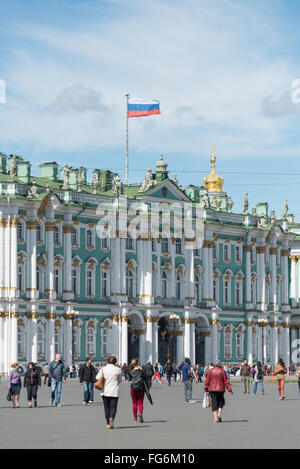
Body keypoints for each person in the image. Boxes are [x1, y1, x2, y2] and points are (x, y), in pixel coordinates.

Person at [97, 356, 122, 429]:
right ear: (115, 362)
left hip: (105, 391)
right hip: (114, 391)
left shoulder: (103, 369)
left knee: (106, 407)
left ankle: (108, 422)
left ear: (108, 361)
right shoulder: (118, 369)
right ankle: (111, 418)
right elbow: (120, 380)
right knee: (113, 407)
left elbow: (97, 377)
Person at [129, 358, 147, 423]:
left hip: (133, 388)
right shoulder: (141, 371)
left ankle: (135, 418)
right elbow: (145, 378)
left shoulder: (131, 371)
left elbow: (129, 379)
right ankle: (140, 413)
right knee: (140, 402)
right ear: (138, 363)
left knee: (134, 403)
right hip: (140, 388)